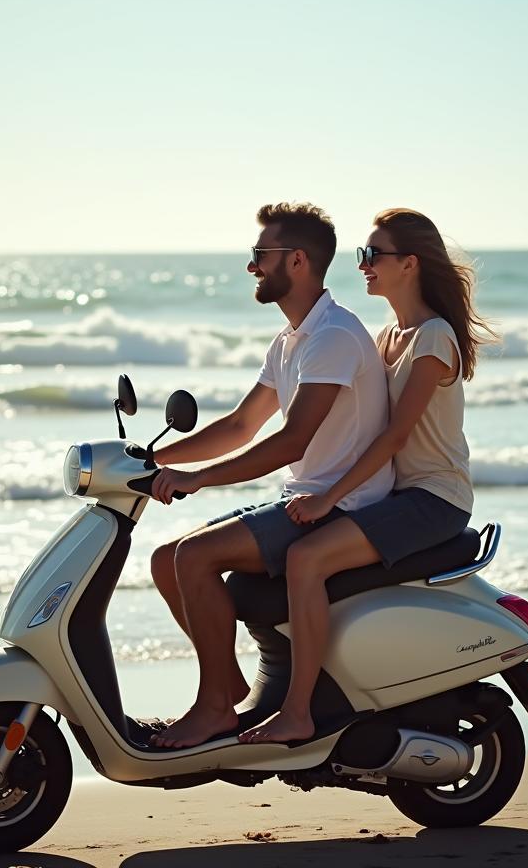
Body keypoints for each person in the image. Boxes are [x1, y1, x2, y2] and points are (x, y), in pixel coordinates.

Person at [239, 208, 496, 744]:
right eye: (363, 254)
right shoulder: (386, 338)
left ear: (409, 264)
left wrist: (328, 496)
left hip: (435, 500)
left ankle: (298, 712)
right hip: (394, 497)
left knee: (306, 559)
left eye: (372, 255)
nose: (362, 265)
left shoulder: (433, 339)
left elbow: (395, 437)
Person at [147, 202, 394, 749]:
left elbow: (291, 439)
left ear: (298, 261)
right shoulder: (291, 339)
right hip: (303, 498)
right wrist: (156, 459)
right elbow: (241, 425)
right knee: (167, 560)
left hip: (343, 507)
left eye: (261, 255)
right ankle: (226, 681)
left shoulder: (331, 335)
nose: (252, 267)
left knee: (195, 556)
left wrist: (200, 480)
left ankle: (214, 707)